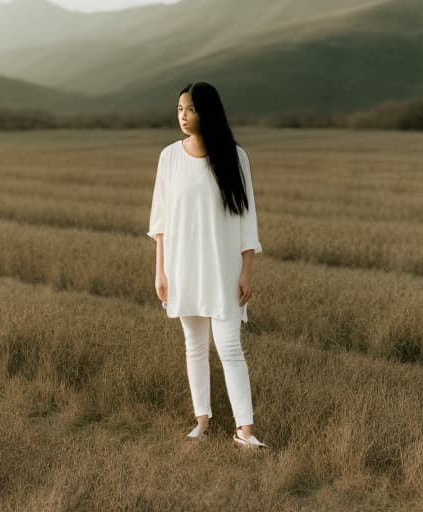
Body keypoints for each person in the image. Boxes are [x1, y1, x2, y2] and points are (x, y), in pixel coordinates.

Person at [147, 82, 268, 449]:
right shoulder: (169, 157)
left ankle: (244, 431)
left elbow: (247, 217)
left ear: (208, 113)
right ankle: (202, 420)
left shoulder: (235, 156)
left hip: (222, 268)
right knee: (194, 346)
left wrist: (247, 269)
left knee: (230, 347)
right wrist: (161, 270)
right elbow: (161, 221)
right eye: (180, 108)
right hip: (183, 266)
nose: (183, 116)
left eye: (191, 109)